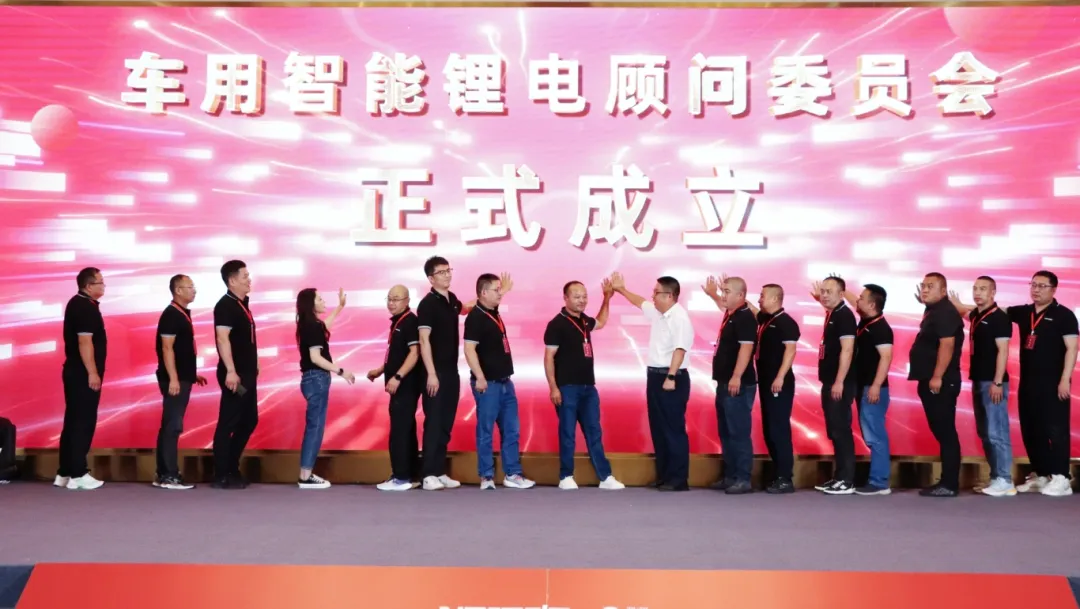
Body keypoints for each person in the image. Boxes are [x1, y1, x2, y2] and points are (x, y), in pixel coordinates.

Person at [952, 270, 1077, 497]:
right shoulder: (1024, 312)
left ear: (1054, 289)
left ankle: (1062, 477)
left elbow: (1072, 348)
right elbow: (989, 312)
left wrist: (1065, 380)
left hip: (1054, 382)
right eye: (1033, 285)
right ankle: (1041, 473)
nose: (1036, 290)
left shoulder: (1064, 315)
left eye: (1042, 286)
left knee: (1056, 428)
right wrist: (960, 306)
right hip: (1029, 381)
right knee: (1031, 428)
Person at [610, 272, 695, 492]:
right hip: (655, 376)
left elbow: (680, 349)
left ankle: (678, 479)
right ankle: (665, 475)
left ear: (669, 296)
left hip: (671, 377)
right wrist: (621, 289)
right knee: (659, 428)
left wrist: (671, 376)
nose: (652, 296)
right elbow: (640, 302)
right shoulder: (659, 313)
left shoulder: (679, 318)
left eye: (656, 293)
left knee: (673, 429)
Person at [543, 279, 624, 490]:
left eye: (584, 296)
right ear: (566, 298)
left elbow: (601, 322)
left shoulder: (584, 321)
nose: (582, 300)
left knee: (594, 432)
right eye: (577, 296)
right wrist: (553, 387)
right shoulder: (556, 324)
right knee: (567, 433)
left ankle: (605, 477)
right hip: (567, 388)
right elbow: (549, 357)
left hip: (589, 388)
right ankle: (566, 476)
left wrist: (607, 298)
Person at [463, 273, 535, 490]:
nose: (500, 294)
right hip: (488, 384)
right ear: (484, 293)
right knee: (485, 431)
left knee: (512, 430)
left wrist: (504, 291)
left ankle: (512, 473)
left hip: (505, 382)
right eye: (496, 290)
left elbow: (493, 298)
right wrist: (480, 377)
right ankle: (486, 476)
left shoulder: (493, 312)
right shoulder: (475, 317)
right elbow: (469, 349)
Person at [947, 277, 1015, 497]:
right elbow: (964, 312)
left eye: (983, 289)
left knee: (997, 432)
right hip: (978, 379)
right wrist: (955, 304)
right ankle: (996, 477)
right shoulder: (977, 315)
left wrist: (997, 381)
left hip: (994, 382)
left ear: (993, 292)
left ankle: (1005, 479)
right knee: (985, 432)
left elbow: (1003, 351)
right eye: (975, 289)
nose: (978, 293)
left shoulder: (1000, 318)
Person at [910, 272, 964, 497]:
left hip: (941, 382)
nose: (924, 289)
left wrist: (937, 376)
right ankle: (946, 481)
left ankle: (949, 484)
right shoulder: (935, 310)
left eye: (930, 286)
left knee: (946, 432)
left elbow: (947, 345)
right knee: (942, 432)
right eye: (923, 285)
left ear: (943, 291)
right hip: (931, 380)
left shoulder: (945, 312)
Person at [295, 287, 355, 489]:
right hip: (316, 379)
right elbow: (315, 357)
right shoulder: (312, 326)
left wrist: (339, 308)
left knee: (314, 426)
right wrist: (341, 371)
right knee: (315, 427)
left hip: (312, 380)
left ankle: (306, 473)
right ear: (311, 304)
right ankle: (305, 475)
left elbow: (323, 330)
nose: (323, 301)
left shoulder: (310, 325)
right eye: (319, 299)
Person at [702, 276, 757, 495]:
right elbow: (722, 304)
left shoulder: (745, 317)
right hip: (724, 382)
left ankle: (743, 478)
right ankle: (731, 475)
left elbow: (746, 348)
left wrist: (736, 376)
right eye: (722, 291)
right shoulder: (732, 313)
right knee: (726, 432)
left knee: (738, 433)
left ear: (741, 295)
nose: (722, 295)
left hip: (738, 384)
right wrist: (712, 294)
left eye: (726, 291)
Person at [153, 274, 207, 490]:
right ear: (178, 290)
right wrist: (174, 378)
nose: (194, 290)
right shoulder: (171, 315)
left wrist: (191, 374)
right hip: (173, 379)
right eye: (190, 287)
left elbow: (181, 350)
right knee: (172, 426)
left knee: (170, 425)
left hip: (182, 377)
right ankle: (169, 475)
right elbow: (166, 348)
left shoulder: (181, 314)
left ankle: (163, 473)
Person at [55, 267, 107, 491]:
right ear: (88, 286)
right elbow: (85, 342)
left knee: (73, 421)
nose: (104, 286)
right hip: (82, 373)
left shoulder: (78, 303)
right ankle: (78, 473)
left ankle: (64, 472)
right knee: (83, 422)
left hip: (75, 372)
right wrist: (93, 372)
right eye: (100, 282)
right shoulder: (84, 307)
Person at [368, 285, 423, 492]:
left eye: (396, 299)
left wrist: (397, 377)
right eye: (389, 299)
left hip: (406, 385)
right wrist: (381, 370)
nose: (392, 303)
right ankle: (410, 475)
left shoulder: (409, 322)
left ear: (407, 301)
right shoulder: (398, 322)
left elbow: (414, 353)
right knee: (406, 429)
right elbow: (397, 354)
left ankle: (401, 477)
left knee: (400, 431)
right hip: (401, 384)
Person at [211, 260, 260, 489]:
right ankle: (221, 473)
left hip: (248, 374)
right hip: (235, 376)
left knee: (249, 420)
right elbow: (222, 339)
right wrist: (230, 371)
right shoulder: (225, 306)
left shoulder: (242, 305)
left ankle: (232, 466)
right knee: (228, 422)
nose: (249, 280)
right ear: (232, 281)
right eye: (244, 276)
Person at [750, 283, 800, 494]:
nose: (759, 299)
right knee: (770, 429)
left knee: (779, 429)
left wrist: (780, 377)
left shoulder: (786, 322)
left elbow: (790, 351)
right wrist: (727, 296)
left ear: (774, 299)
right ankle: (778, 473)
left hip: (779, 384)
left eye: (762, 296)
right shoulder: (766, 319)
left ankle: (785, 478)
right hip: (766, 382)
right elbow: (752, 310)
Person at [809, 276, 857, 495]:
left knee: (841, 430)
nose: (824, 295)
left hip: (840, 383)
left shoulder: (844, 316)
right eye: (823, 291)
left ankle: (846, 480)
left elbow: (847, 349)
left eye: (829, 291)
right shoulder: (833, 314)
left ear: (841, 294)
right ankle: (839, 477)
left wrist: (839, 381)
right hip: (829, 381)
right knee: (835, 430)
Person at [849, 284, 894, 496]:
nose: (856, 300)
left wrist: (876, 385)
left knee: (875, 436)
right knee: (871, 435)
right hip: (863, 386)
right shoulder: (867, 321)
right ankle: (877, 479)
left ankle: (879, 482)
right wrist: (839, 291)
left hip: (873, 388)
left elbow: (886, 357)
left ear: (872, 304)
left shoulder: (880, 328)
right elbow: (854, 302)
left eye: (861, 297)